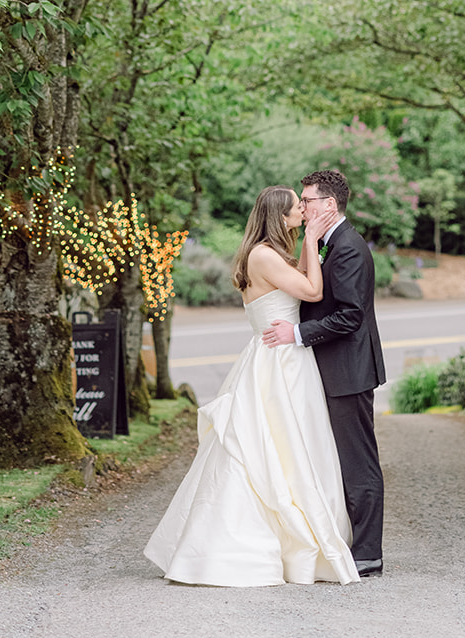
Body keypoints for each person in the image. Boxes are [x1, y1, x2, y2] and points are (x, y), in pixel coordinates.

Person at [143, 186, 359, 586]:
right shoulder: (263, 254)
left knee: (294, 448)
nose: (303, 212)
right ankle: (244, 547)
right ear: (280, 216)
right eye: (298, 208)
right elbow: (313, 291)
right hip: (279, 363)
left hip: (286, 358)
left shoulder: (270, 253)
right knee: (272, 450)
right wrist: (312, 241)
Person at [261, 169, 386, 577]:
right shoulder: (329, 244)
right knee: (336, 460)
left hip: (348, 371)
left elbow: (350, 317)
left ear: (328, 206)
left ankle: (368, 553)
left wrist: (296, 333)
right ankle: (349, 542)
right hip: (332, 369)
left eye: (307, 200)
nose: (302, 206)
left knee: (357, 461)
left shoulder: (348, 248)